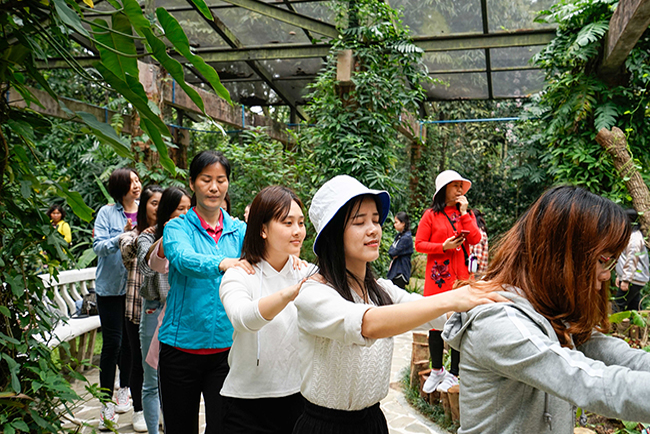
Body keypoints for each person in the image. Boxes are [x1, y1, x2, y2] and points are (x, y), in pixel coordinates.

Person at [292, 175, 506, 434]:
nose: (373, 229)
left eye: (375, 220)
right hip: (324, 427)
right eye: (359, 222)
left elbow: (432, 313)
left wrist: (490, 307)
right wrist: (452, 298)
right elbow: (366, 323)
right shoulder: (313, 293)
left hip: (373, 422)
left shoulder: (382, 289)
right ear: (334, 234)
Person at [442, 186, 650, 434]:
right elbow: (586, 381)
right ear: (562, 256)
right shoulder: (500, 322)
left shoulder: (548, 309)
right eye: (603, 259)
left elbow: (613, 353)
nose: (607, 274)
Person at [158, 150, 253, 434]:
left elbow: (266, 258)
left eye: (221, 180)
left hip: (227, 350)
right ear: (192, 183)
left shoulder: (240, 231)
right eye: (206, 179)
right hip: (180, 350)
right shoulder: (176, 227)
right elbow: (183, 259)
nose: (214, 187)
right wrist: (221, 262)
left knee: (225, 427)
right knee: (180, 428)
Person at [219, 186, 314, 434]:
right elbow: (242, 318)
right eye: (287, 222)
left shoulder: (308, 273)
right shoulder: (238, 275)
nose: (297, 231)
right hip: (245, 405)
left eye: (301, 223)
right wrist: (288, 293)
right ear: (262, 229)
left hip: (299, 399)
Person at [415, 170, 481, 394]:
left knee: (458, 323)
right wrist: (443, 247)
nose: (460, 190)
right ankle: (437, 369)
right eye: (455, 186)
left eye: (462, 185)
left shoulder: (467, 214)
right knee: (435, 323)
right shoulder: (430, 216)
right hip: (438, 277)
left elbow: (475, 239)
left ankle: (453, 373)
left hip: (462, 278)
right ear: (444, 189)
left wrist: (463, 214)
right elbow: (419, 244)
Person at [137, 186, 192, 434]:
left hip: (182, 312)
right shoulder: (148, 236)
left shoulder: (194, 234)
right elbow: (146, 267)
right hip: (154, 311)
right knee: (151, 382)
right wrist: (170, 234)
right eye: (180, 209)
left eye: (189, 209)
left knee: (178, 383)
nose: (186, 214)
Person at [92, 167, 141, 429]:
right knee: (112, 344)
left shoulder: (147, 209)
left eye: (137, 180)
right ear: (120, 186)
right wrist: (120, 237)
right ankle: (105, 404)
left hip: (136, 289)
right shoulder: (106, 213)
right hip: (110, 289)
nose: (136, 185)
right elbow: (98, 246)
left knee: (131, 344)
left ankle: (125, 389)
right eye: (131, 181)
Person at [118, 185, 163, 432]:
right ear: (144, 205)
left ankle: (162, 412)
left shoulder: (173, 233)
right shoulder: (133, 236)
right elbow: (128, 251)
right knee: (139, 363)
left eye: (162, 203)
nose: (158, 207)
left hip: (166, 309)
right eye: (153, 203)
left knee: (165, 367)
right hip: (138, 309)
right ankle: (139, 411)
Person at [614, 208, 649, 312]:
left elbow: (631, 260)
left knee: (617, 305)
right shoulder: (629, 235)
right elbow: (623, 258)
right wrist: (619, 276)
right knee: (634, 308)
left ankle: (612, 328)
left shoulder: (634, 238)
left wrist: (626, 280)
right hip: (632, 278)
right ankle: (641, 328)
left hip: (633, 279)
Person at [386, 211, 413, 289]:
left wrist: (395, 252)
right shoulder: (399, 236)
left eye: (396, 222)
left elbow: (394, 252)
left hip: (400, 272)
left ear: (403, 223)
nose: (394, 224)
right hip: (395, 271)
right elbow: (391, 251)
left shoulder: (406, 238)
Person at [469, 209, 489, 275]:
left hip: (476, 271)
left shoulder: (478, 233)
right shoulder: (482, 232)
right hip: (481, 270)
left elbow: (477, 256)